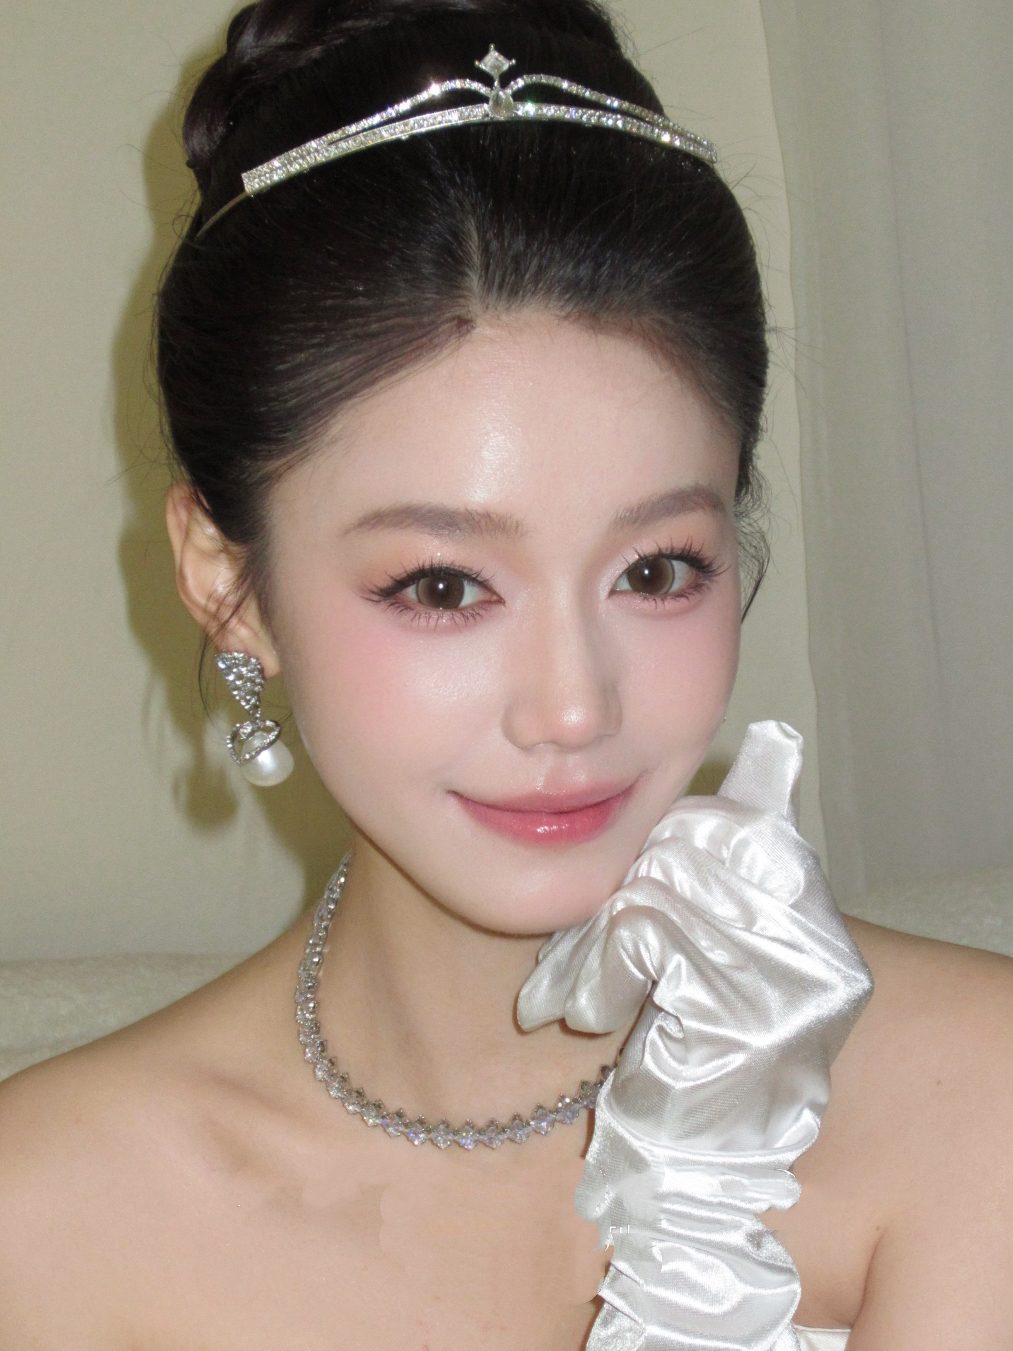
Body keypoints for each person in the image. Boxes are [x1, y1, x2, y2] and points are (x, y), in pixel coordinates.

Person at [1, 1, 1011, 1346]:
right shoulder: (46, 1223)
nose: (573, 708)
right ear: (225, 581)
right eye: (441, 587)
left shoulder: (978, 1109)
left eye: (655, 569)